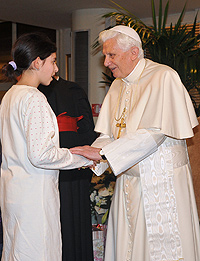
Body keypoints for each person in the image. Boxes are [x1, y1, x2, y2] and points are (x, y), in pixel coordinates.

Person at [70, 25, 200, 261]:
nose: (107, 62)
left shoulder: (163, 77)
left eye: (111, 55)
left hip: (161, 180)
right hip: (129, 180)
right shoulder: (119, 84)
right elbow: (110, 133)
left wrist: (104, 154)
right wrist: (92, 155)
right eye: (105, 56)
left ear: (133, 52)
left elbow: (154, 133)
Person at [0, 32, 101, 261]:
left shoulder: (10, 96)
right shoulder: (34, 98)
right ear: (37, 62)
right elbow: (40, 155)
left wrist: (72, 152)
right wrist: (83, 158)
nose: (56, 70)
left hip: (14, 193)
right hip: (34, 196)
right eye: (53, 61)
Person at [38, 76, 97, 261]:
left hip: (45, 163)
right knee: (75, 218)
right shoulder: (73, 89)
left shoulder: (31, 93)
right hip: (75, 160)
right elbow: (87, 128)